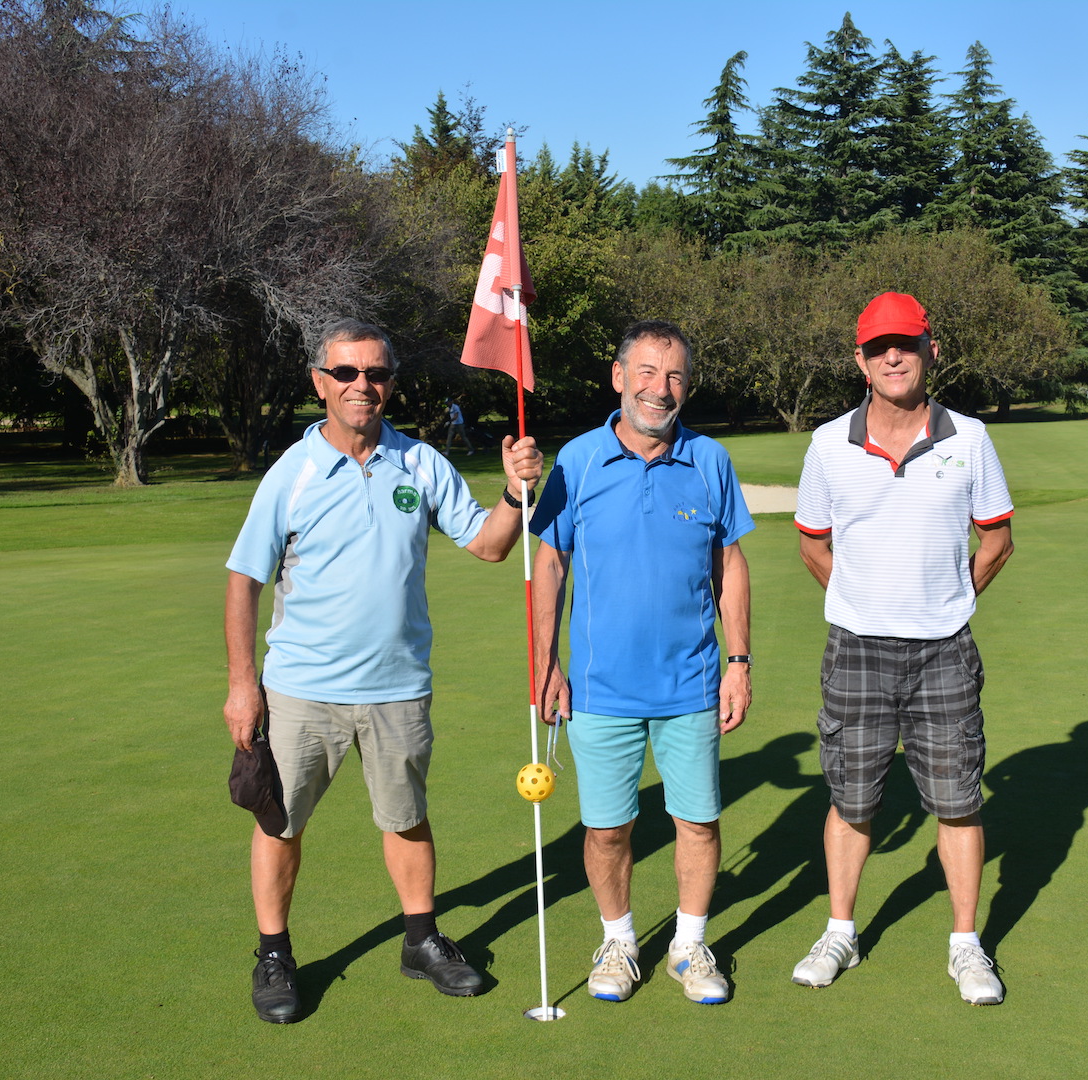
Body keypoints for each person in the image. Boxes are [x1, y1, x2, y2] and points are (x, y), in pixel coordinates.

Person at [222, 318, 542, 1024]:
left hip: (397, 687)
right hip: (302, 689)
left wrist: (517, 494)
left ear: (391, 383)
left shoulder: (420, 464)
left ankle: (421, 941)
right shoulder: (293, 473)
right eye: (346, 373)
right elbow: (244, 579)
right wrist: (244, 684)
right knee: (280, 824)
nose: (361, 385)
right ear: (319, 382)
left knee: (407, 818)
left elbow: (488, 545)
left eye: (375, 373)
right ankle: (274, 954)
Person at [790, 291, 1015, 1006]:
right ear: (859, 359)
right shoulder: (829, 443)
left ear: (931, 352)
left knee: (956, 800)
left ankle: (965, 944)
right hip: (855, 648)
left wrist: (948, 600)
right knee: (852, 798)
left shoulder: (970, 439)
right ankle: (841, 931)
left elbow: (997, 539)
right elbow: (812, 544)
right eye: (880, 346)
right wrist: (865, 600)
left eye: (908, 344)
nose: (895, 356)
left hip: (944, 650)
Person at [530, 320, 754, 1006]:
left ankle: (688, 945)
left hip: (691, 682)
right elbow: (550, 563)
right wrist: (545, 664)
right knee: (606, 828)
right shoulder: (578, 460)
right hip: (599, 689)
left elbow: (730, 564)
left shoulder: (710, 460)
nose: (663, 389)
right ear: (619, 376)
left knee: (698, 821)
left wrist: (739, 660)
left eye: (677, 375)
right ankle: (620, 941)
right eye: (649, 372)